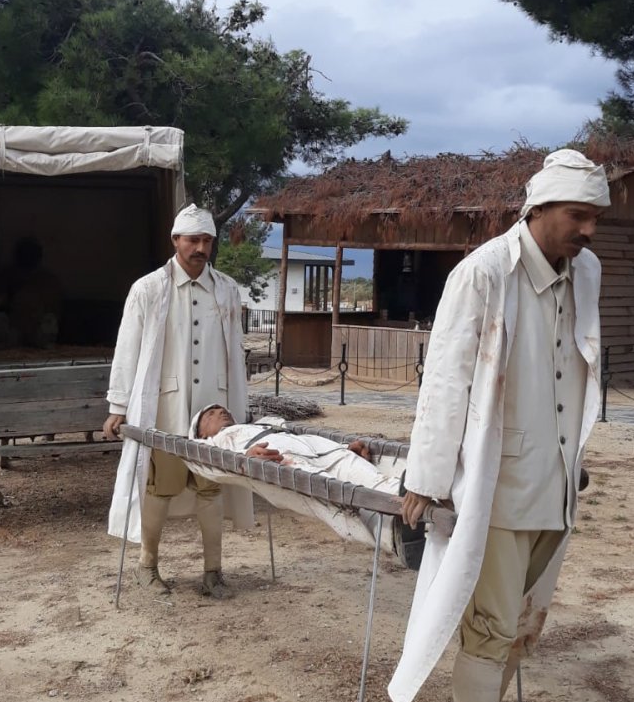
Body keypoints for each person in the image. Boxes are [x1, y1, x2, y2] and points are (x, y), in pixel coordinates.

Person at [390, 148, 610, 702]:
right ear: (539, 208)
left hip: (555, 486)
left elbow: (577, 367)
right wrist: (426, 477)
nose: (589, 230)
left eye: (595, 217)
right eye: (578, 216)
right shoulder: (484, 273)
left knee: (524, 624)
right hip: (500, 487)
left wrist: (574, 456)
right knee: (489, 630)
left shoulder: (587, 272)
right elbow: (446, 378)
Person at [102, 206, 254, 598]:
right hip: (166, 407)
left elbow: (235, 352)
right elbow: (127, 349)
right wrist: (118, 405)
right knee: (160, 486)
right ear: (175, 241)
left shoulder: (227, 289)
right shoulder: (148, 289)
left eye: (207, 241)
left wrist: (240, 404)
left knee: (210, 486)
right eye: (193, 240)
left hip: (212, 412)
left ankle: (213, 572)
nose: (200, 248)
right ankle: (147, 566)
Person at [193, 405, 424, 563]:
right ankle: (394, 535)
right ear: (201, 433)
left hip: (321, 448)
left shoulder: (263, 423)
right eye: (210, 414)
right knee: (331, 495)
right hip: (281, 459)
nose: (220, 411)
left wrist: (345, 447)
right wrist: (245, 458)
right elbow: (208, 465)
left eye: (221, 409)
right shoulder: (214, 443)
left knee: (370, 477)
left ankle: (410, 494)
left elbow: (294, 434)